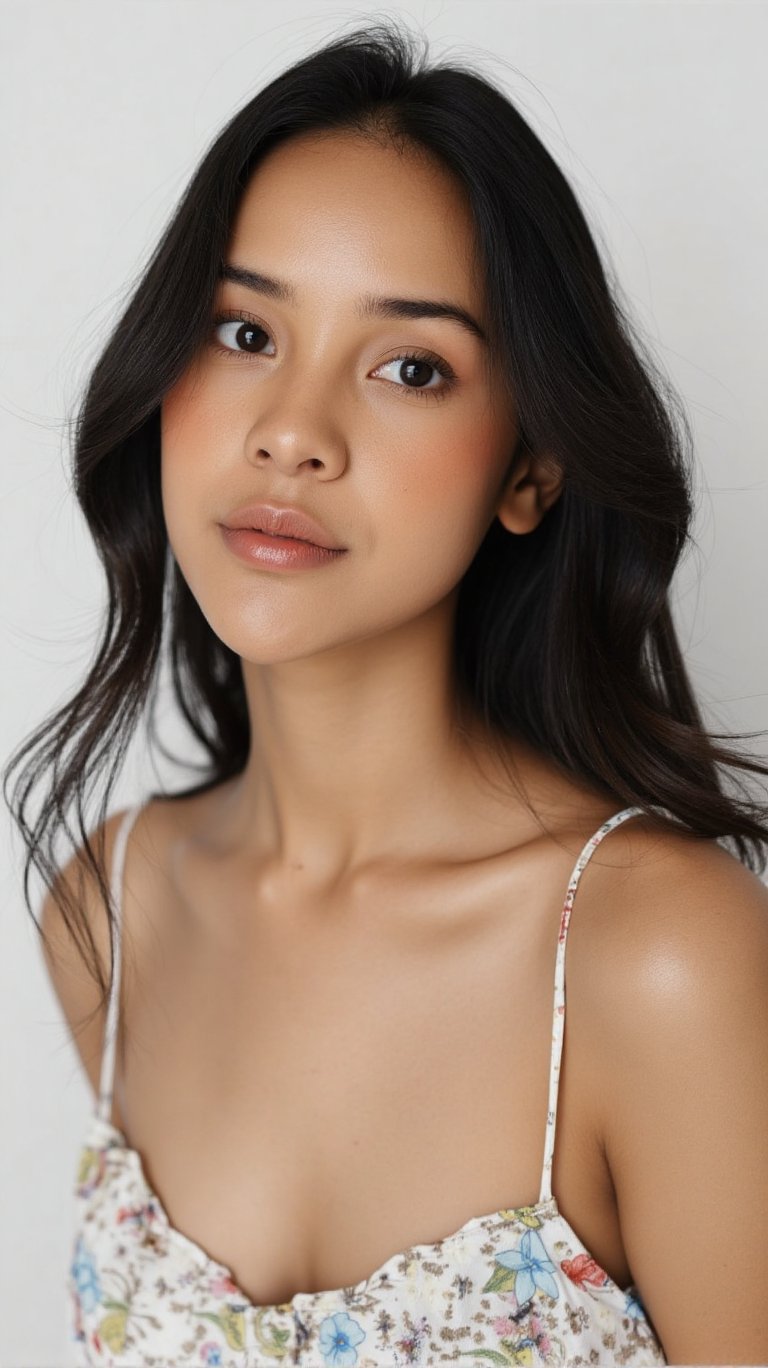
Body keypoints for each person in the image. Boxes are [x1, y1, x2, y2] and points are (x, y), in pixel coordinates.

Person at [5, 18, 768, 1368]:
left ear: (530, 470)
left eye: (410, 366)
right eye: (243, 329)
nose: (290, 430)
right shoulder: (106, 913)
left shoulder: (661, 956)